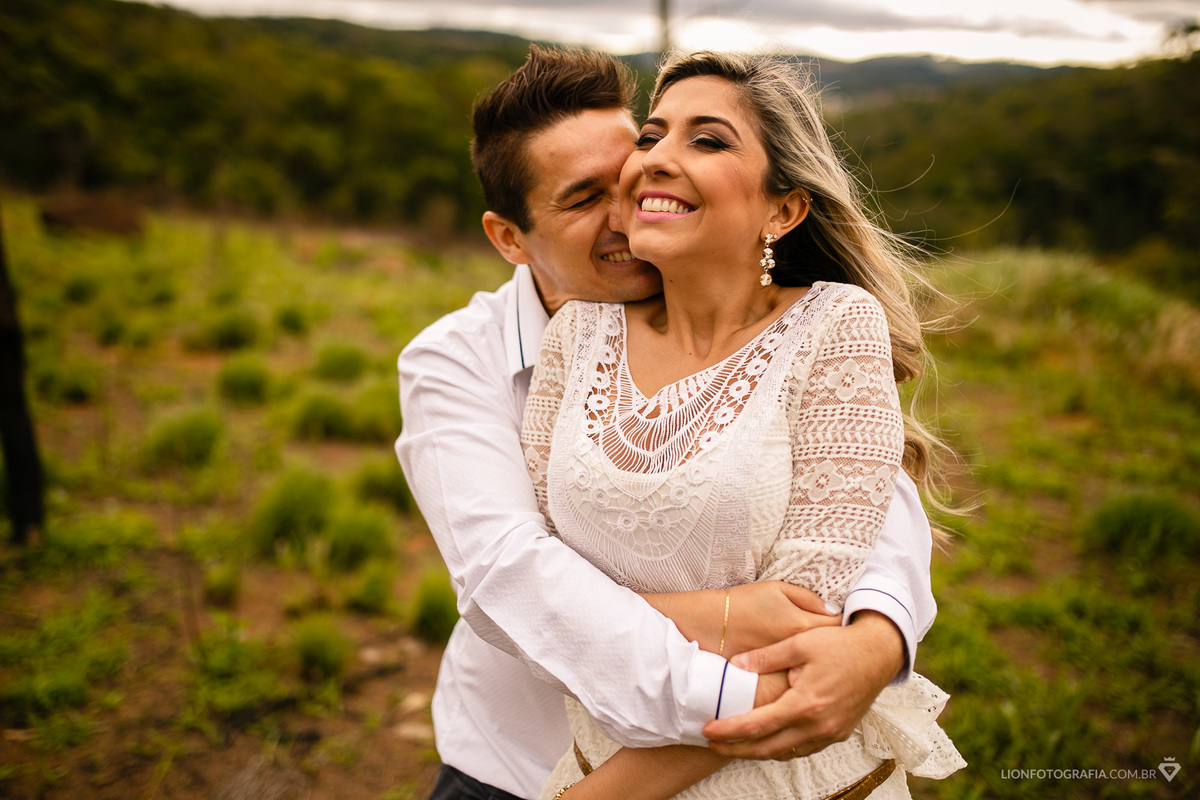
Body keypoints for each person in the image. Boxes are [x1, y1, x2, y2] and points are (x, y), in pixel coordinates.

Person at [396, 45, 937, 800]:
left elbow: (868, 508)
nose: (631, 204)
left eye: (631, 162)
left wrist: (876, 641)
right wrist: (727, 626)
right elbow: (511, 578)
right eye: (585, 199)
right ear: (509, 240)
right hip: (522, 763)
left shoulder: (817, 328)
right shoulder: (460, 360)